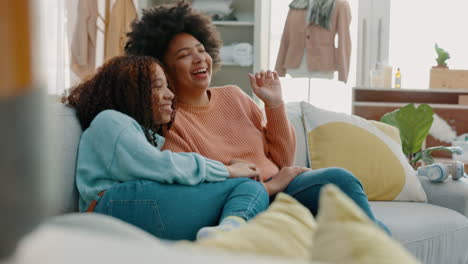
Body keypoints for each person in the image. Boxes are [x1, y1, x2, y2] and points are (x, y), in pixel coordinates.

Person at [124, 2, 390, 233]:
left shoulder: (234, 96)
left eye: (200, 49)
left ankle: (377, 247)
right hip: (246, 204)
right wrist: (274, 185)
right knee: (338, 184)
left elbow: (282, 160)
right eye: (184, 55)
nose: (199, 59)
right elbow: (203, 192)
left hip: (284, 189)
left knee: (341, 184)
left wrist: (274, 105)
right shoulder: (169, 121)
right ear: (162, 69)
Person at [61, 55, 269, 241]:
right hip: (113, 206)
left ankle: (224, 233)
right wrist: (226, 170)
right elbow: (159, 166)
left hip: (125, 207)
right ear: (130, 92)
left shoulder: (140, 133)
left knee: (248, 189)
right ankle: (228, 236)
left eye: (168, 86)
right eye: (157, 86)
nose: (170, 94)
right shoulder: (110, 120)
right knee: (248, 187)